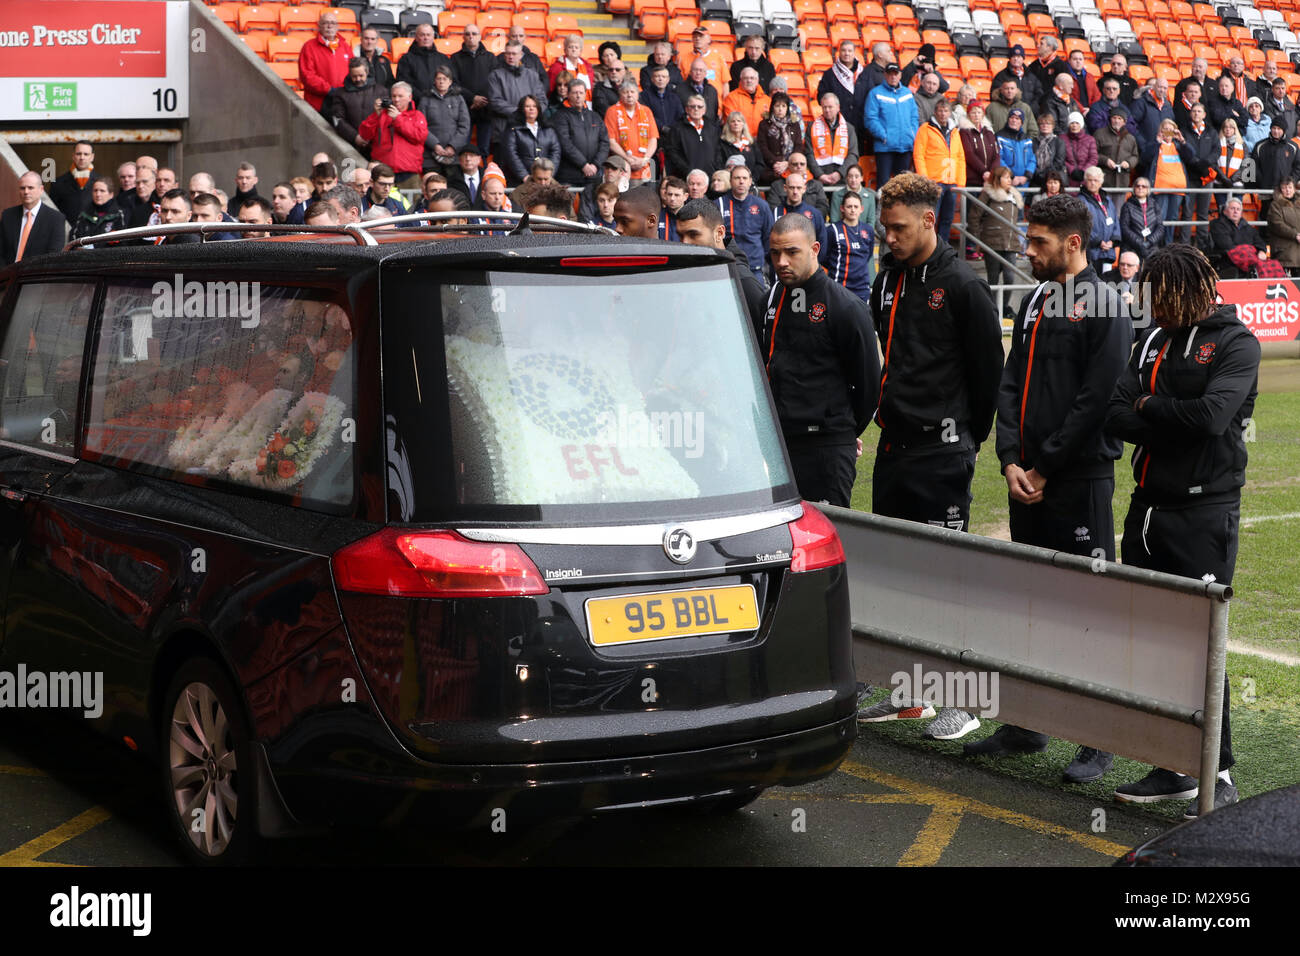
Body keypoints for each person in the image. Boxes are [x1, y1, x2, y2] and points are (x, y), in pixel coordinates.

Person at [973, 194, 1132, 777]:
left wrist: (1045, 467)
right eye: (1027, 238)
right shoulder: (1038, 298)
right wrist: (1011, 458)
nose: (1026, 249)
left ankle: (1098, 735)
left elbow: (1098, 400)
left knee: (1087, 605)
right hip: (1028, 479)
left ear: (1072, 243)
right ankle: (1027, 725)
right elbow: (1011, 381)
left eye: (1038, 241)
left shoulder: (1107, 305)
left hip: (1078, 479)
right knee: (1034, 601)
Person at [1104, 244, 1259, 817]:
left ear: (1187, 292)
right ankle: (1172, 765)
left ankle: (1216, 772)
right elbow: (1115, 413)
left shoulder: (1238, 342)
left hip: (1203, 514)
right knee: (1152, 638)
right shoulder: (1151, 340)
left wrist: (1149, 408)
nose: (1154, 310)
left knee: (1201, 642)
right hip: (1146, 509)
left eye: (1161, 299)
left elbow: (1212, 418)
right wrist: (1160, 410)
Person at [858, 172, 1001, 737]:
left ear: (927, 222)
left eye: (896, 228)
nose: (887, 238)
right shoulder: (887, 279)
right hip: (895, 447)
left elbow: (989, 370)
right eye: (883, 227)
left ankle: (962, 699)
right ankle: (910, 693)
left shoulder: (963, 285)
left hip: (943, 452)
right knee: (896, 573)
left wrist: (970, 438)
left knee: (947, 578)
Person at [763, 213, 879, 506]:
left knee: (828, 542)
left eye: (792, 252)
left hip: (827, 450)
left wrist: (840, 431)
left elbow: (869, 385)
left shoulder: (846, 307)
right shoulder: (771, 299)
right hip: (780, 446)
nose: (781, 262)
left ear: (814, 250)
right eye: (775, 253)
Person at [675, 198, 767, 340]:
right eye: (681, 236)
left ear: (719, 233)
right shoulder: (688, 273)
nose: (685, 243)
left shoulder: (743, 283)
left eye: (693, 235)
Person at [967, 165, 1024, 314]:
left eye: (1010, 177)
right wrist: (977, 240)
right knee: (993, 279)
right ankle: (992, 309)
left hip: (1011, 243)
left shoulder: (1014, 196)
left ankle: (1004, 308)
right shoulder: (988, 194)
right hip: (992, 242)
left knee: (1010, 277)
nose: (1009, 180)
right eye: (1005, 177)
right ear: (997, 179)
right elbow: (974, 215)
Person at [912, 97, 964, 246]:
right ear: (935, 112)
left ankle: (943, 247)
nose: (943, 114)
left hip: (951, 181)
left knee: (947, 218)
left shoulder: (955, 131)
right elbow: (919, 154)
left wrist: (960, 183)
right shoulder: (926, 129)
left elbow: (960, 157)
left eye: (946, 110)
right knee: (931, 217)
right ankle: (928, 246)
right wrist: (925, 179)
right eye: (940, 111)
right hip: (934, 181)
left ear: (950, 113)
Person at [358, 82, 428, 188]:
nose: (396, 99)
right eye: (394, 96)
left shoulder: (417, 116)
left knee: (410, 204)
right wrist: (376, 115)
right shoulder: (382, 114)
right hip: (383, 173)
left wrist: (398, 119)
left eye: (400, 96)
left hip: (408, 174)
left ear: (410, 97)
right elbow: (364, 135)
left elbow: (420, 136)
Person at [863, 62, 918, 186]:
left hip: (905, 147)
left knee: (903, 186)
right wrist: (884, 136)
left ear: (900, 75)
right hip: (885, 148)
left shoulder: (907, 93)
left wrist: (912, 134)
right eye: (890, 74)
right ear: (885, 75)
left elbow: (914, 116)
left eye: (896, 74)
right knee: (883, 185)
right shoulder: (875, 93)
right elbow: (870, 119)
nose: (893, 77)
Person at [716, 165, 772, 284]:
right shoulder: (719, 204)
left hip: (755, 269)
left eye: (744, 178)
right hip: (728, 267)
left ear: (750, 181)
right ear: (730, 181)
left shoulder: (762, 206)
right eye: (737, 178)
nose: (741, 181)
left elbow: (768, 237)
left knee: (756, 302)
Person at [819, 190, 874, 302]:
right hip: (839, 286)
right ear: (842, 208)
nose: (853, 209)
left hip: (862, 288)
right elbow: (823, 257)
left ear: (861, 209)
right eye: (849, 206)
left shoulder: (868, 230)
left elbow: (868, 255)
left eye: (856, 206)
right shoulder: (832, 230)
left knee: (861, 319)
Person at [553, 78, 609, 186]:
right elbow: (565, 144)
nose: (578, 96)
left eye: (581, 93)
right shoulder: (560, 116)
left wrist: (595, 165)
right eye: (574, 93)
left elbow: (604, 143)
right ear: (568, 95)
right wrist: (583, 165)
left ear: (585, 95)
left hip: (593, 174)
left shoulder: (595, 116)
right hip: (569, 175)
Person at [2, 171, 68, 263]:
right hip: (7, 274)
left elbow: (53, 256)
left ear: (41, 189)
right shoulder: (7, 215)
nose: (26, 192)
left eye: (30, 188)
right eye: (22, 188)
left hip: (36, 275)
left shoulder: (56, 219)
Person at [817, 39, 871, 149]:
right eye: (843, 50)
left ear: (854, 53)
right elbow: (821, 97)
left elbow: (870, 95)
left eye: (850, 51)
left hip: (860, 125)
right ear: (839, 52)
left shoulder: (864, 73)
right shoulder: (830, 74)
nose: (847, 53)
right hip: (837, 124)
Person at [452, 24, 497, 155]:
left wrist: (482, 100)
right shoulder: (455, 58)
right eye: (467, 34)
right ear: (463, 37)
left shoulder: (490, 57)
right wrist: (472, 98)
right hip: (465, 108)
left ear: (480, 37)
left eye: (474, 33)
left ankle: (483, 173)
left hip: (486, 109)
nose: (471, 37)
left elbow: (494, 83)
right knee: (463, 147)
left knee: (484, 149)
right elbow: (454, 83)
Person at [420, 64, 471, 172]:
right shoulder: (425, 100)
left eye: (445, 79)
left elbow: (464, 126)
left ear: (450, 81)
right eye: (439, 78)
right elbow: (421, 127)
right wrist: (435, 145)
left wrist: (453, 146)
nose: (441, 82)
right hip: (430, 156)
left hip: (454, 155)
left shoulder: (459, 99)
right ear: (434, 81)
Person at [500, 95, 560, 186]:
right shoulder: (513, 130)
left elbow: (556, 152)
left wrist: (549, 175)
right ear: (521, 109)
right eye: (527, 106)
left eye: (534, 106)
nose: (531, 109)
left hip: (545, 181)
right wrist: (524, 176)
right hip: (520, 181)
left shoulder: (548, 129)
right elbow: (511, 154)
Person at [299, 10, 352, 112]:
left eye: (333, 23)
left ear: (337, 26)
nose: (329, 26)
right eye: (325, 23)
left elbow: (353, 71)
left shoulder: (345, 47)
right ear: (319, 26)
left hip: (342, 100)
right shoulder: (309, 47)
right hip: (318, 103)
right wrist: (329, 90)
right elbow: (307, 75)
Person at [324, 58, 377, 155]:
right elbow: (338, 119)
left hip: (375, 145)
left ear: (367, 72)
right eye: (354, 76)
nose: (358, 79)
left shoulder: (380, 91)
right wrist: (355, 137)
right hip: (351, 145)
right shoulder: (340, 94)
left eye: (361, 75)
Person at [806, 92, 858, 188]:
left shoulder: (849, 128)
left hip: (843, 179)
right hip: (818, 180)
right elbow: (809, 154)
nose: (827, 110)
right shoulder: (812, 127)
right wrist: (820, 175)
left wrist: (839, 173)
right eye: (824, 107)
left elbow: (853, 155)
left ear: (838, 107)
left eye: (830, 107)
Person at [664, 94, 722, 179]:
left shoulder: (712, 128)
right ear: (687, 109)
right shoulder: (677, 129)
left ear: (704, 110)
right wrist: (687, 170)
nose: (696, 109)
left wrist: (715, 169)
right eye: (692, 106)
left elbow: (718, 151)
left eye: (700, 107)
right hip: (686, 177)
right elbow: (672, 153)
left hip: (709, 176)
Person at [1208, 197, 1267, 277]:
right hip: (1227, 261)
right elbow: (1226, 245)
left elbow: (1260, 242)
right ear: (1225, 211)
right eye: (1232, 208)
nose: (1235, 211)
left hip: (1250, 261)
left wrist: (1261, 251)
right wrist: (1247, 250)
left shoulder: (1248, 227)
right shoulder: (1218, 225)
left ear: (1241, 213)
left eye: (1238, 209)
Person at [1079, 166, 1120, 273]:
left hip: (1108, 251)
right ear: (1085, 181)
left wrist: (1113, 241)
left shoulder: (1107, 200)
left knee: (1107, 284)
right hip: (1091, 251)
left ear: (1101, 182)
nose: (1093, 183)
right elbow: (1082, 225)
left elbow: (1115, 220)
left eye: (1095, 180)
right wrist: (1098, 242)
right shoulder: (1081, 201)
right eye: (1090, 180)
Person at [770, 172, 824, 248]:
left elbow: (822, 241)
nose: (795, 192)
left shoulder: (815, 214)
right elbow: (769, 240)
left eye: (799, 188)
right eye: (792, 187)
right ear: (785, 188)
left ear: (804, 189)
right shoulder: (775, 213)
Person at [676, 25, 728, 102]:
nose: (697, 38)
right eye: (695, 36)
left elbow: (725, 84)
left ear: (709, 39)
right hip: (691, 105)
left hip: (714, 104)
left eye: (701, 36)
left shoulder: (718, 57)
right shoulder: (683, 58)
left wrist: (724, 104)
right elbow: (680, 83)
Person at [1119, 177, 1165, 262]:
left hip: (1152, 249)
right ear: (1134, 189)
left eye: (1144, 186)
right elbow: (1124, 228)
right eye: (1138, 186)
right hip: (1132, 248)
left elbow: (1160, 227)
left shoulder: (1154, 205)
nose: (1140, 188)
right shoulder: (1127, 206)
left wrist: (1149, 242)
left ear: (1148, 190)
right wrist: (1140, 243)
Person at [757, 92, 800, 183]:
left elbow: (798, 146)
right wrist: (777, 163)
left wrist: (788, 163)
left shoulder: (794, 124)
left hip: (792, 166)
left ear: (787, 108)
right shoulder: (764, 124)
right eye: (777, 106)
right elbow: (762, 147)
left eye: (783, 106)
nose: (780, 109)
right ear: (772, 107)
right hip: (771, 167)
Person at [50, 140, 96, 222]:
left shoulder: (101, 182)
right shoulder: (58, 183)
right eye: (78, 154)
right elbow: (52, 213)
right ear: (73, 156)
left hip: (94, 232)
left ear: (92, 157)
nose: (82, 157)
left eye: (86, 154)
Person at [991, 44, 1044, 117]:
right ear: (1009, 58)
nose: (1016, 59)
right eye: (1013, 56)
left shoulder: (1031, 76)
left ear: (1023, 59)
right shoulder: (1001, 76)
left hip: (1031, 115)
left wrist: (1031, 108)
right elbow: (995, 96)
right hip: (1010, 116)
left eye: (1019, 56)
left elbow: (1039, 94)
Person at [1095, 105, 1139, 191]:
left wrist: (1128, 163)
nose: (1116, 121)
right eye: (1114, 118)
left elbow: (1135, 156)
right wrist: (1105, 160)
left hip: (1123, 181)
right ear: (1110, 119)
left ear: (1124, 122)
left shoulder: (1130, 138)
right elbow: (1093, 154)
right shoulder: (1099, 134)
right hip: (1104, 180)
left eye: (1119, 118)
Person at [68, 176, 124, 242]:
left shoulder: (119, 214)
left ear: (111, 194)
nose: (98, 194)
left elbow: (123, 240)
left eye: (102, 191)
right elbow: (73, 238)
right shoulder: (84, 214)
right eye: (95, 190)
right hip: (85, 252)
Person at [1130, 77, 1174, 156]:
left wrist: (1168, 143)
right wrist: (1142, 144)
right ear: (1154, 87)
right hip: (1146, 151)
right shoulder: (1141, 102)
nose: (1162, 90)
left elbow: (1171, 125)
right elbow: (1131, 124)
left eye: (1165, 88)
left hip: (1163, 151)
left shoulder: (1168, 105)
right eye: (1160, 87)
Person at [722, 67, 771, 139]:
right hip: (739, 140)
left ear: (757, 81)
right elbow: (730, 121)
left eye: (752, 78)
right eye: (746, 78)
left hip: (762, 142)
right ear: (741, 80)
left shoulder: (767, 100)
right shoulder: (731, 98)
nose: (749, 81)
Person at [962, 103, 1001, 189]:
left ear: (983, 115)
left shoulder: (989, 132)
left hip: (990, 179)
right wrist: (984, 172)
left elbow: (997, 154)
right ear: (968, 115)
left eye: (979, 113)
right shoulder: (965, 132)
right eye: (973, 113)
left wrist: (991, 173)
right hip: (973, 179)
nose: (976, 115)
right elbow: (969, 154)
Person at [1267, 177, 1300, 275]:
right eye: (1284, 188)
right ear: (1280, 190)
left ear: (1294, 189)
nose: (1288, 190)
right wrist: (1295, 235)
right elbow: (1276, 224)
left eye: (1290, 187)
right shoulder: (1275, 205)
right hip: (1284, 250)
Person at [996, 108, 1036, 187]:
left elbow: (1032, 159)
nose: (1014, 120)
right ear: (1008, 120)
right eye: (1012, 118)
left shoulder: (1027, 140)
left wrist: (1026, 176)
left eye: (1017, 119)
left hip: (1024, 182)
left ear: (1021, 122)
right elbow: (998, 158)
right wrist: (1011, 176)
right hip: (1006, 182)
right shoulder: (999, 137)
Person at [641, 63, 684, 135]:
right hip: (653, 134)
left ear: (668, 80)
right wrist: (662, 127)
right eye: (657, 76)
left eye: (663, 77)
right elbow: (646, 116)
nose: (660, 79)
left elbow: (680, 115)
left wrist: (674, 129)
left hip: (673, 135)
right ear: (652, 79)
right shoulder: (644, 96)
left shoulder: (674, 97)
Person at [677, 57, 722, 122]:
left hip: (708, 129)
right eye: (695, 70)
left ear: (705, 73)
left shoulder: (712, 91)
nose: (698, 73)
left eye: (701, 70)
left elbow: (714, 114)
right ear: (690, 72)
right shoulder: (679, 90)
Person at [717, 111, 762, 175]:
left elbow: (760, 164)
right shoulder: (722, 143)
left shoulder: (751, 142)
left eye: (739, 121)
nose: (736, 123)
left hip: (750, 181)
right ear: (728, 125)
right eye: (733, 121)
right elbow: (719, 164)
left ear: (743, 124)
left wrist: (751, 178)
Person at [1030, 111, 1066, 188]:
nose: (1045, 126)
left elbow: (1058, 162)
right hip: (1036, 179)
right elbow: (1030, 159)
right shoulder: (1033, 142)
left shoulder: (1059, 142)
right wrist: (1038, 174)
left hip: (1053, 179)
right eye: (1042, 124)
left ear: (1053, 126)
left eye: (1048, 124)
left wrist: (1045, 174)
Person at [355, 26, 396, 91]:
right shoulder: (353, 59)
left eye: (372, 39)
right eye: (366, 38)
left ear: (377, 41)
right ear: (361, 40)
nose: (369, 42)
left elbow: (390, 83)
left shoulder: (384, 61)